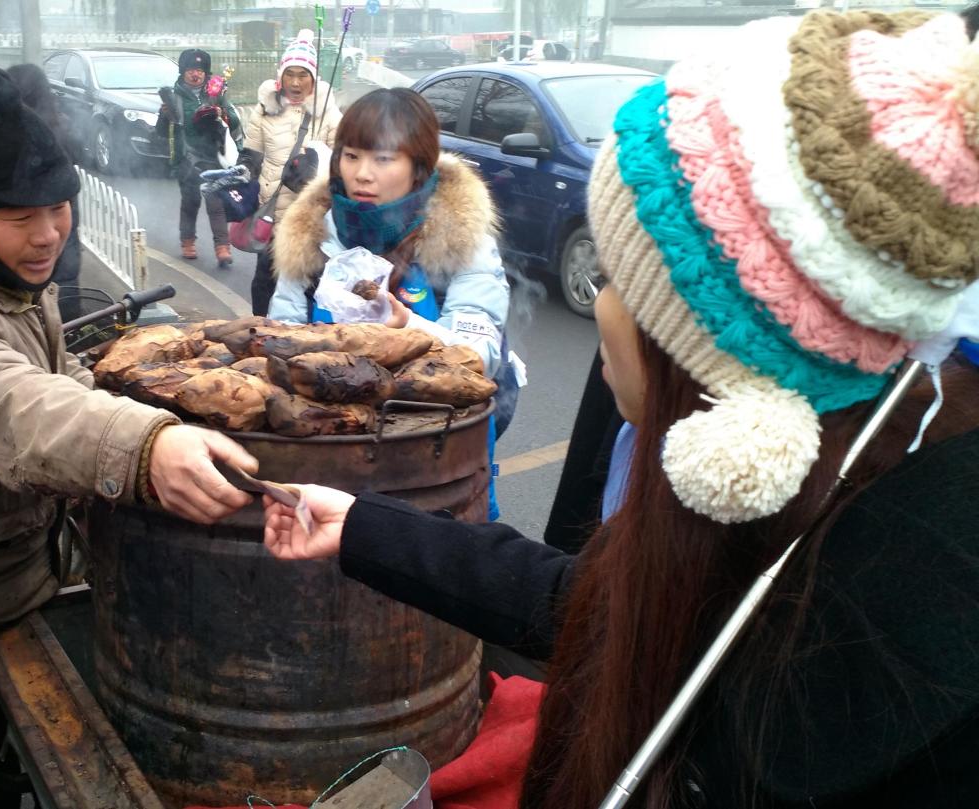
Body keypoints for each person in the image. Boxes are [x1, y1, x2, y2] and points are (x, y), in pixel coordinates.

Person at [263, 10, 979, 808]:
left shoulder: (854, 692)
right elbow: (598, 604)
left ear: (707, 355)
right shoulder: (776, 512)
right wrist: (365, 528)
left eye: (618, 278)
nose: (597, 303)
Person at [0, 65, 259, 808]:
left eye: (59, 208)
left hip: (11, 569)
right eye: (20, 217)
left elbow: (51, 368)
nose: (49, 234)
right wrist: (142, 445)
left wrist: (124, 401)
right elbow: (5, 397)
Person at [270, 87, 519, 517]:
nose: (363, 174)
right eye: (351, 156)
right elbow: (279, 341)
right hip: (326, 459)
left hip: (431, 469)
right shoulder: (310, 237)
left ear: (418, 167)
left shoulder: (462, 240)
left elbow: (481, 355)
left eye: (383, 159)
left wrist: (411, 331)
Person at [243, 28, 342, 315]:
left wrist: (316, 172)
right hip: (273, 214)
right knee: (265, 280)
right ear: (280, 76)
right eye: (290, 74)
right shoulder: (265, 109)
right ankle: (259, 330)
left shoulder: (329, 114)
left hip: (312, 218)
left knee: (308, 284)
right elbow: (251, 155)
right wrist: (240, 178)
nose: (296, 82)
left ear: (314, 78)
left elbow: (343, 164)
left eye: (303, 75)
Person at [9, 61, 85, 321]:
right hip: (64, 214)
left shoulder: (8, 135)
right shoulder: (59, 125)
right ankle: (71, 328)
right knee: (65, 271)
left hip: (28, 226)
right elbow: (78, 153)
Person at [158, 47, 245, 267]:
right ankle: (187, 241)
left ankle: (222, 247)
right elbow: (161, 132)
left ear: (206, 73)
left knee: (216, 202)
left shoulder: (217, 94)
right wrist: (164, 115)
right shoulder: (174, 97)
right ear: (183, 72)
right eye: (190, 70)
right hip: (186, 157)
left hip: (213, 156)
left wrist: (221, 113)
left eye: (199, 70)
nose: (195, 74)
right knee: (191, 201)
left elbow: (234, 121)